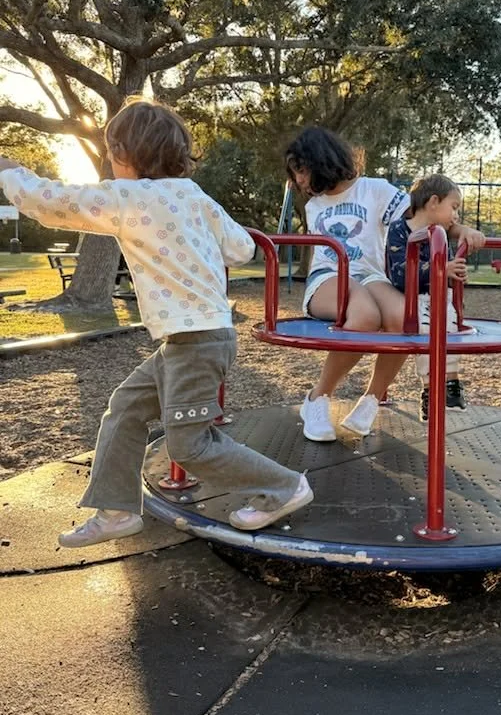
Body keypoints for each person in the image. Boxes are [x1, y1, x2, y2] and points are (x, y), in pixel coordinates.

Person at [0, 98, 310, 544]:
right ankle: (117, 511)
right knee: (125, 409)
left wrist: (12, 172)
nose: (109, 161)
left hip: (196, 340)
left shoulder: (128, 197)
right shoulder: (196, 196)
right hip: (195, 338)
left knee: (190, 445)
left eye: (111, 153)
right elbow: (242, 248)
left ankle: (285, 486)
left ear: (126, 154)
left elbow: (52, 203)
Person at [286, 126, 484, 442]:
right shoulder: (314, 205)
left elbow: (421, 216)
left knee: (404, 317)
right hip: (328, 277)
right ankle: (318, 398)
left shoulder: (374, 190)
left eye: (301, 170)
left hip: (370, 274)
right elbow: (328, 259)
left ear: (319, 160)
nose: (298, 181)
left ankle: (371, 400)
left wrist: (461, 230)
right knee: (364, 314)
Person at [386, 174, 468, 422]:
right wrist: (441, 269)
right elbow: (399, 271)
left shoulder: (440, 234)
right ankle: (430, 388)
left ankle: (451, 382)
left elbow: (447, 266)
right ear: (433, 201)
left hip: (440, 297)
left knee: (450, 329)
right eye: (453, 208)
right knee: (426, 331)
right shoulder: (401, 229)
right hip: (412, 299)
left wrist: (454, 272)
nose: (456, 216)